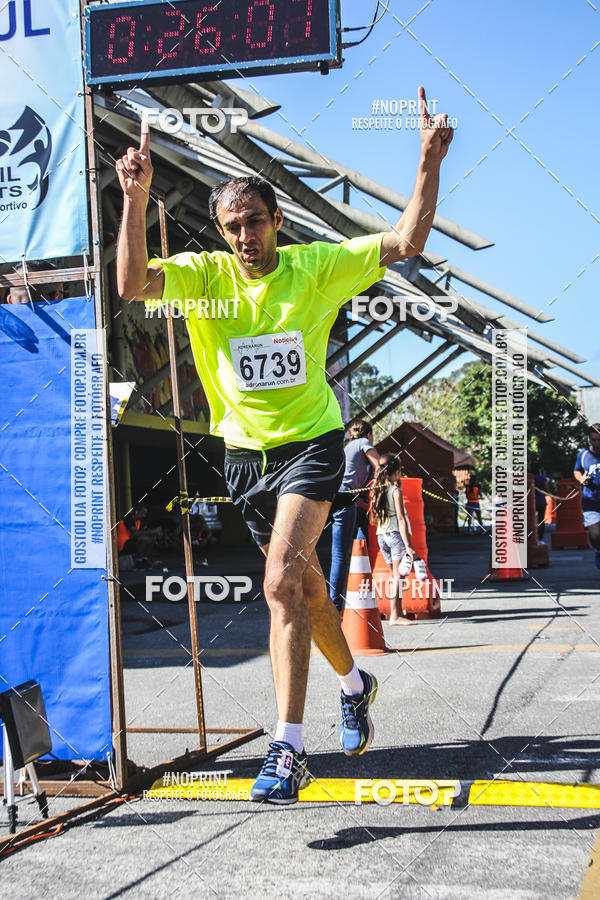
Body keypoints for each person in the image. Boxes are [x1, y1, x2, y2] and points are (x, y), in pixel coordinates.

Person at [115, 86, 453, 804]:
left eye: (257, 223)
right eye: (233, 226)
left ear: (277, 222)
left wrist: (427, 160)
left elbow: (405, 243)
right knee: (307, 591)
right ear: (221, 230)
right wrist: (136, 198)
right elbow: (131, 284)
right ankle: (355, 683)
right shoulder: (203, 280)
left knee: (277, 585)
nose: (246, 239)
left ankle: (289, 748)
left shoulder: (316, 268)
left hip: (313, 443)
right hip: (245, 455)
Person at [328, 418, 380, 612]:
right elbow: (380, 466)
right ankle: (336, 605)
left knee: (342, 550)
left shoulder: (347, 446)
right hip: (345, 498)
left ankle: (343, 597)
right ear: (368, 434)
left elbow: (353, 494)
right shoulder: (363, 443)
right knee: (341, 555)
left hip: (337, 497)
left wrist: (367, 507)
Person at [370, 455, 418, 625]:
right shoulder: (395, 491)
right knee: (398, 576)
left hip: (382, 535)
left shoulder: (378, 489)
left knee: (394, 575)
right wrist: (409, 545)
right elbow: (401, 518)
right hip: (396, 536)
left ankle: (397, 610)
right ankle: (395, 615)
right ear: (396, 472)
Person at [573, 423, 600, 570]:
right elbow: (577, 470)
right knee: (596, 535)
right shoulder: (583, 454)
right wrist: (581, 479)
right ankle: (597, 550)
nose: (596, 444)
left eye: (599, 440)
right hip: (591, 500)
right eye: (593, 440)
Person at [532, 464, 549, 540]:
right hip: (541, 500)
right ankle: (540, 537)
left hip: (532, 501)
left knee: (530, 519)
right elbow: (546, 489)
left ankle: (532, 536)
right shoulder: (542, 478)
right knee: (541, 519)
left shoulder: (530, 478)